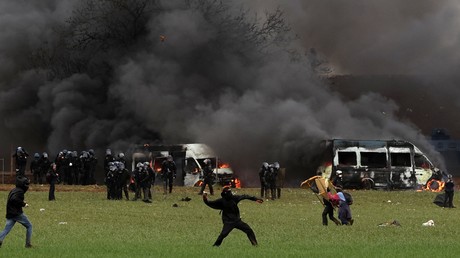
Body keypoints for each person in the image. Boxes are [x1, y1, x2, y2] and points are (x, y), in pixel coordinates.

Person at [0, 177, 33, 248]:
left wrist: (21, 202)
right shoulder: (20, 191)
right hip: (16, 214)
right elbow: (14, 199)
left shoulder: (14, 190)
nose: (27, 186)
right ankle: (28, 244)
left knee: (6, 229)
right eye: (27, 184)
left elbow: (13, 200)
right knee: (29, 226)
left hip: (10, 213)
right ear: (23, 185)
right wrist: (23, 204)